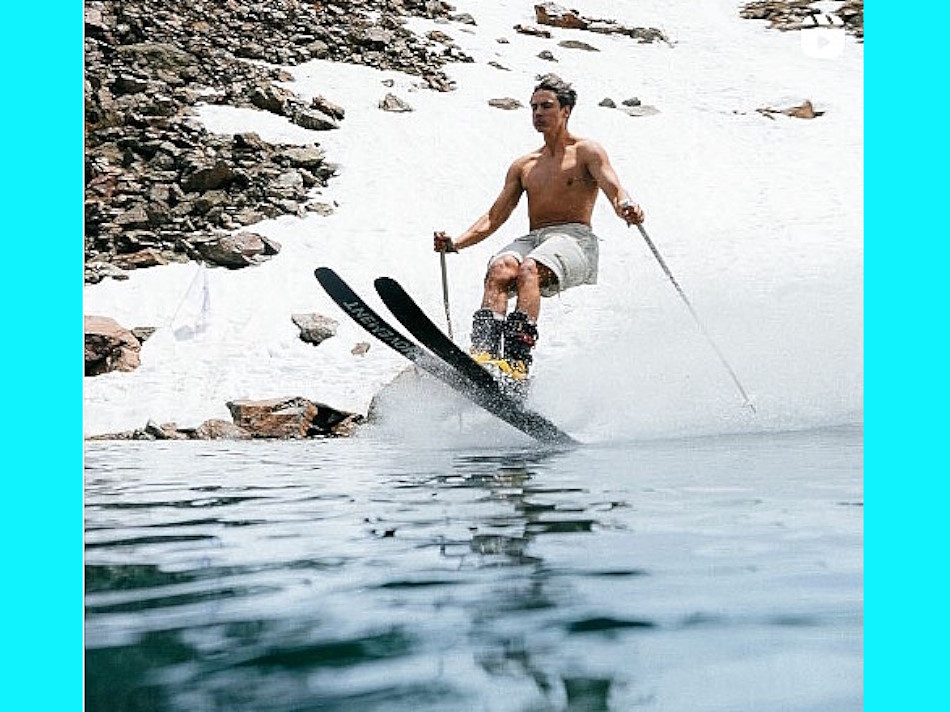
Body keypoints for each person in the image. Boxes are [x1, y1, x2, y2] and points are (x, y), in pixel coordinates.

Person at [434, 74, 645, 382]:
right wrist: (455, 243)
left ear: (566, 111)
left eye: (546, 106)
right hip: (536, 238)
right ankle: (483, 356)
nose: (538, 114)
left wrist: (627, 206)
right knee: (501, 267)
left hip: (574, 238)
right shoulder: (525, 165)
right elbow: (494, 217)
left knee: (529, 269)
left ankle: (517, 365)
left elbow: (615, 188)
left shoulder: (587, 151)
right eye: (533, 108)